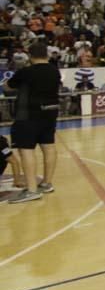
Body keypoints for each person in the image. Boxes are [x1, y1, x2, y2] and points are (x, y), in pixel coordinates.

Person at [3, 42, 61, 203]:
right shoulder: (54, 71)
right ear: (46, 54)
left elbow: (8, 86)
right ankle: (47, 183)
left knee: (26, 150)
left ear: (30, 55)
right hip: (50, 113)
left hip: (28, 115)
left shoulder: (26, 72)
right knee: (48, 146)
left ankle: (31, 190)